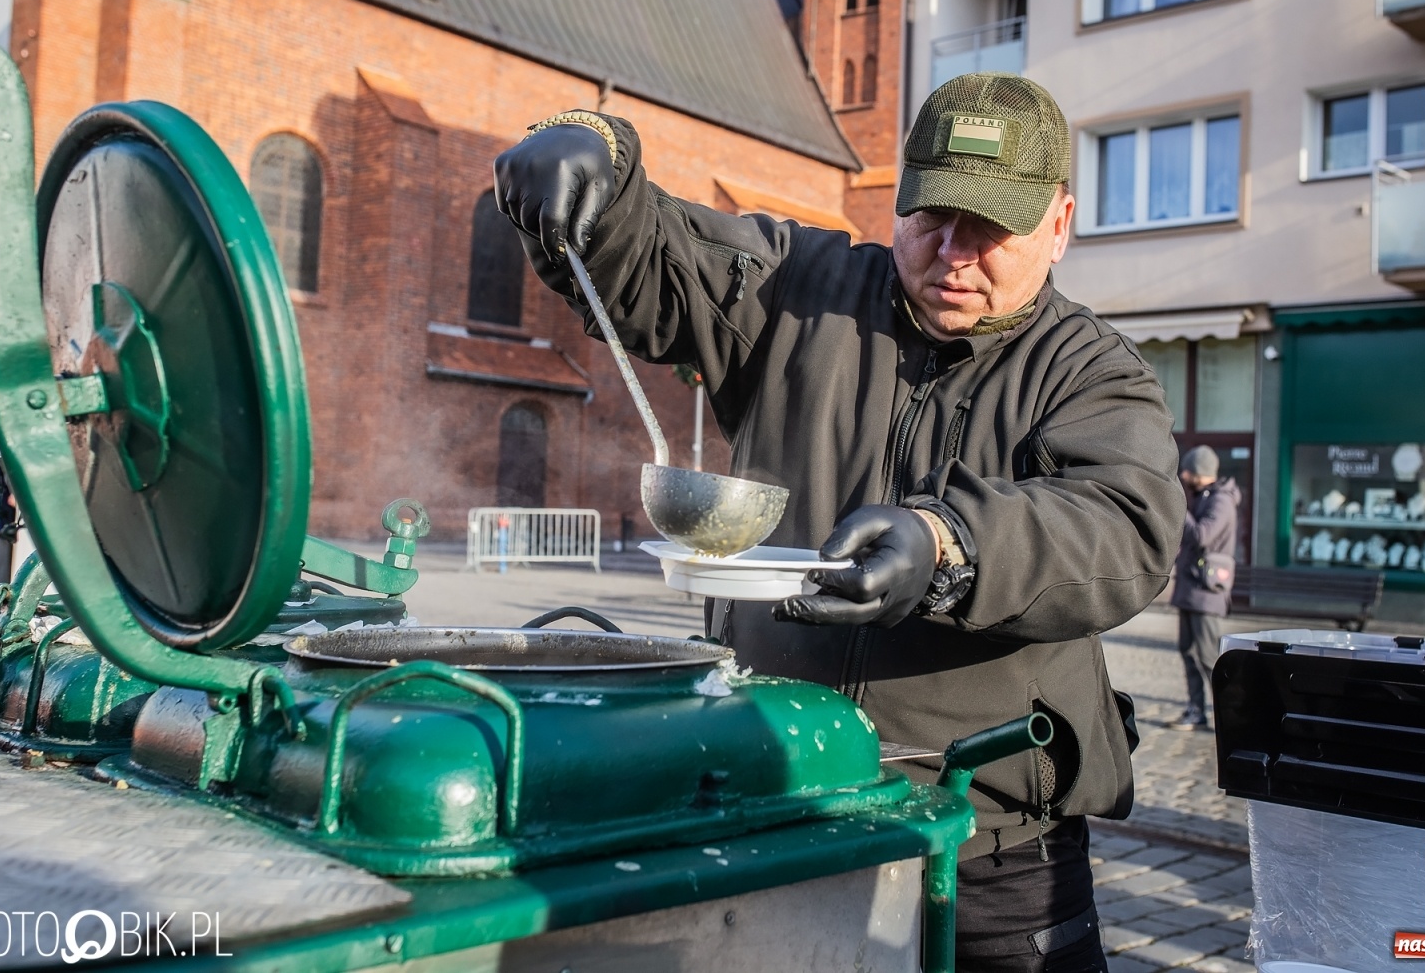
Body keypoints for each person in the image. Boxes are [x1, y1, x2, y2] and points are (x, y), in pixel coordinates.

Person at [495, 73, 1185, 972]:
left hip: (993, 844)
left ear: (1058, 224)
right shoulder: (798, 288)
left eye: (989, 227)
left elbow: (1122, 526)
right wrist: (593, 153)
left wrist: (948, 543)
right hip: (775, 799)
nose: (953, 254)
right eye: (931, 217)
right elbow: (656, 254)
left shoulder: (1092, 371)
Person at [1167, 445, 1240, 732]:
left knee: (1209, 658)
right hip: (1190, 589)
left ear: (1202, 472)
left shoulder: (1222, 501)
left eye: (1188, 471)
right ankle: (1196, 711)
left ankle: (1230, 717)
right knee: (1187, 652)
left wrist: (1179, 509)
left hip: (1207, 593)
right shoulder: (1204, 496)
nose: (1184, 476)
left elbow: (1202, 535)